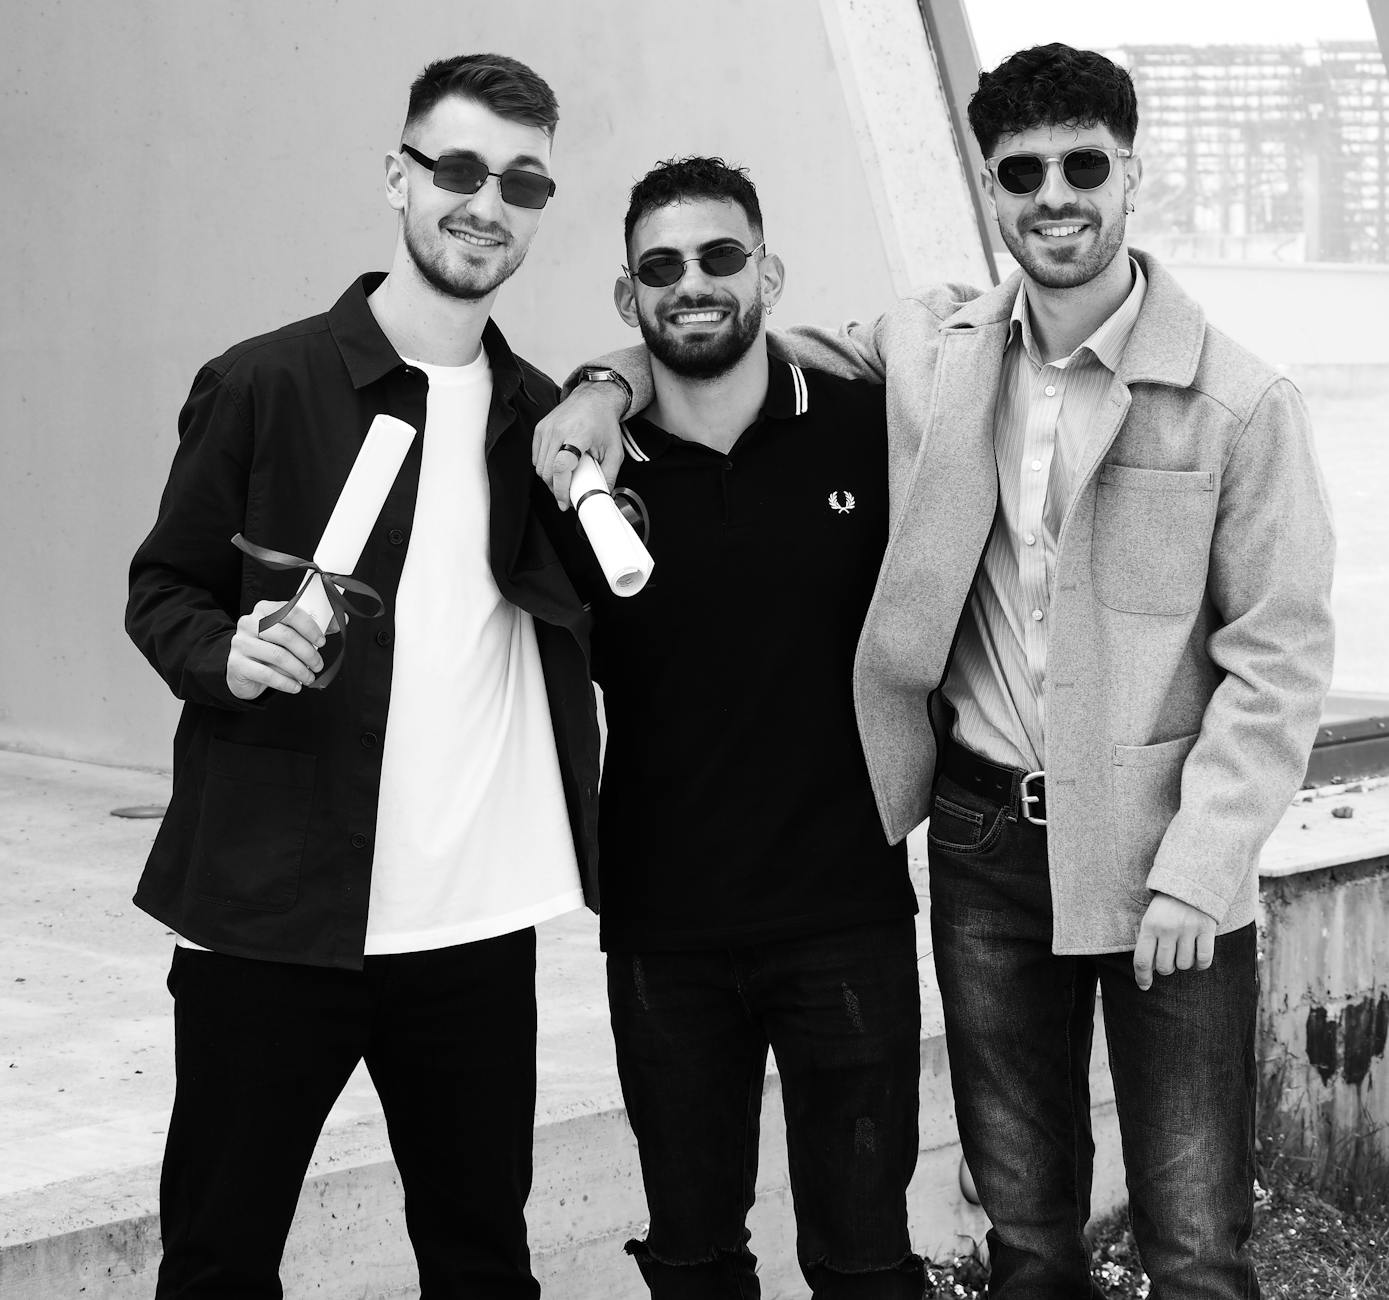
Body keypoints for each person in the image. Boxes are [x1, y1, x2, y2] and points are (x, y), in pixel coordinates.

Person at [534, 44, 1335, 1300]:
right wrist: (601, 378)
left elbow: (1278, 658)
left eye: (1085, 166)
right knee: (1025, 1231)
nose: (1054, 196)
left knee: (1194, 1243)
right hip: (982, 849)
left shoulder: (1239, 401)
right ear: (991, 183)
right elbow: (721, 335)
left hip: (1166, 854)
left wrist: (1200, 869)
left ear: (1133, 176)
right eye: (1025, 171)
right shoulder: (937, 351)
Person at [126, 53, 598, 1298]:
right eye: (456, 168)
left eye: (523, 181)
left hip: (473, 928)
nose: (486, 203)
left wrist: (612, 383)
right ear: (399, 175)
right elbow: (164, 587)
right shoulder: (265, 383)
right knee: (219, 1262)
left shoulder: (540, 422)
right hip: (274, 914)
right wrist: (224, 653)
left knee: (485, 1264)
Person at [554, 156, 926, 1298]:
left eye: (720, 257)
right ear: (629, 299)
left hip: (844, 912)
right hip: (664, 926)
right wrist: (599, 394)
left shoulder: (872, 430)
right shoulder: (581, 471)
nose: (693, 284)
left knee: (865, 1255)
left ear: (768, 271)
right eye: (659, 267)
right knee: (692, 1248)